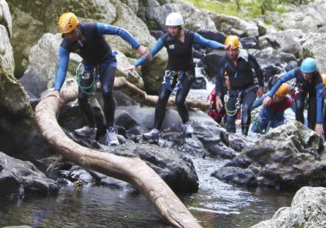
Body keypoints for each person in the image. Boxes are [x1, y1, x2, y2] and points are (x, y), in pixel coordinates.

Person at [51, 12, 149, 146]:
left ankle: (110, 130)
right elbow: (62, 68)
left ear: (78, 27)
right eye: (66, 34)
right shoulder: (66, 44)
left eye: (72, 32)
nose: (70, 36)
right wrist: (57, 89)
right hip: (89, 65)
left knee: (107, 91)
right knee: (82, 97)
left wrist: (138, 47)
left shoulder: (92, 28)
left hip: (107, 62)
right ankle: (91, 127)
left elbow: (119, 31)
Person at [132, 12, 224, 138]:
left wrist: (225, 47)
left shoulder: (191, 36)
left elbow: (207, 43)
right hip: (172, 71)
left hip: (188, 72)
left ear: (180, 27)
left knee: (179, 100)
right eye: (169, 27)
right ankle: (156, 130)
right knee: (162, 97)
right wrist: (135, 64)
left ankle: (186, 124)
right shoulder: (165, 38)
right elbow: (150, 54)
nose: (171, 30)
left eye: (174, 28)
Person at [264, 58, 326, 137]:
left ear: (313, 72)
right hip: (301, 89)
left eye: (308, 73)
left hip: (313, 93)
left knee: (312, 116)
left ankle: (311, 133)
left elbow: (319, 100)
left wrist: (319, 122)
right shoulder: (298, 71)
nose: (305, 75)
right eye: (304, 73)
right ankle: (299, 131)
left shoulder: (318, 81)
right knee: (299, 107)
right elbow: (281, 80)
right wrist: (270, 95)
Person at [215, 36, 264, 136]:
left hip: (249, 89)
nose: (231, 53)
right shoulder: (223, 61)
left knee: (246, 109)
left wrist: (261, 86)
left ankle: (244, 136)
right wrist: (218, 97)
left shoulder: (246, 57)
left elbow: (258, 70)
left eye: (233, 50)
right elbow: (219, 78)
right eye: (228, 50)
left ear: (238, 49)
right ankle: (230, 140)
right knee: (229, 118)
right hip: (233, 91)